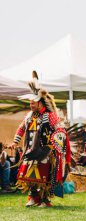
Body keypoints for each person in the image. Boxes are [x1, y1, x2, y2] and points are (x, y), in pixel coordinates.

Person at [11, 71, 71, 207]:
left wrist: (57, 140)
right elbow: (21, 128)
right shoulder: (29, 116)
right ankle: (33, 198)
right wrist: (15, 141)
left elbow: (60, 129)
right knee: (30, 176)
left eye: (33, 103)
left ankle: (44, 200)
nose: (31, 105)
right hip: (31, 151)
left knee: (44, 176)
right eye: (30, 103)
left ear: (40, 103)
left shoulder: (50, 116)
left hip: (45, 152)